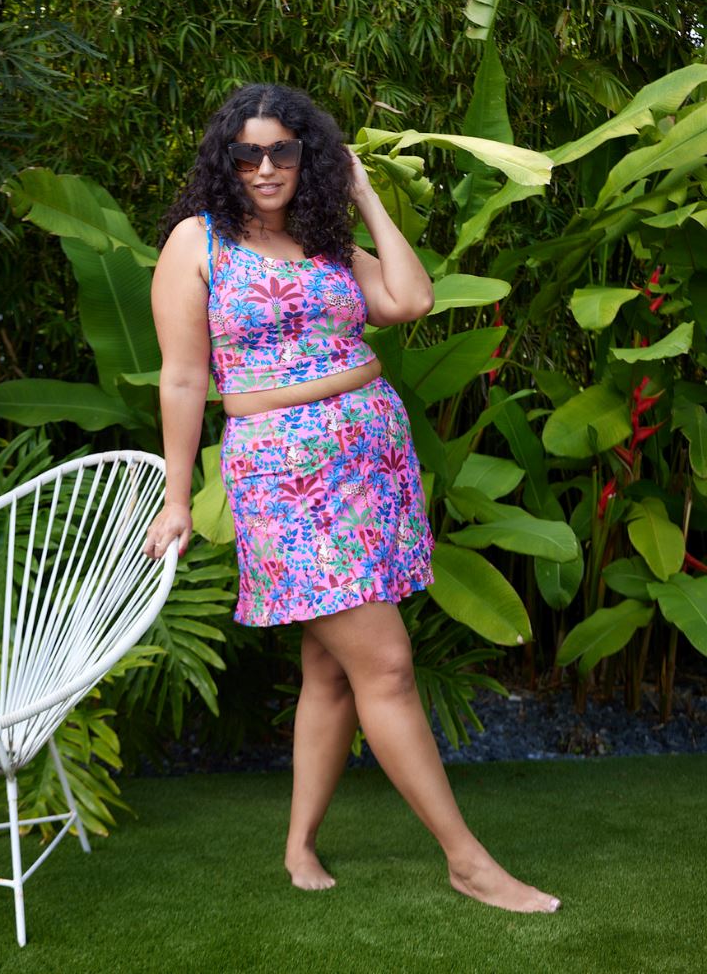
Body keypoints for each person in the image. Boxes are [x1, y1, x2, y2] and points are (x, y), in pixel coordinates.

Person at [144, 83, 560, 914]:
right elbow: (186, 375)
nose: (266, 169)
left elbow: (410, 301)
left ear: (309, 158)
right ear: (226, 162)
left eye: (285, 152)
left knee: (330, 671)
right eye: (248, 154)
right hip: (283, 477)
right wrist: (178, 495)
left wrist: (364, 194)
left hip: (369, 462)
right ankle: (468, 861)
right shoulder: (199, 243)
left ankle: (299, 845)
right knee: (390, 665)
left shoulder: (323, 238)